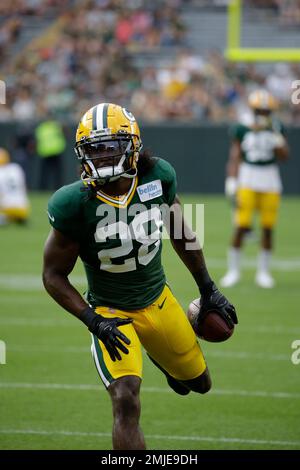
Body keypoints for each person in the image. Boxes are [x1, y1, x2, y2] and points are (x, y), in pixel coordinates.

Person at [42, 103, 237, 450]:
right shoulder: (73, 203)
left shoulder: (156, 177)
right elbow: (53, 275)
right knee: (126, 399)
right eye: (92, 149)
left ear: (131, 144)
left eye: (108, 147)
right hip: (109, 314)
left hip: (157, 299)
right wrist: (92, 321)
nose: (100, 157)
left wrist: (208, 288)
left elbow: (180, 230)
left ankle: (166, 348)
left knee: (199, 384)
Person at [221, 89, 289, 289]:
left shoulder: (277, 127)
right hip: (248, 177)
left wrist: (277, 138)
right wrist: (231, 181)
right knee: (241, 226)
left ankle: (263, 272)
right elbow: (235, 155)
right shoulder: (242, 127)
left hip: (270, 179)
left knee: (268, 227)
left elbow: (285, 156)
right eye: (260, 110)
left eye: (266, 111)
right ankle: (233, 271)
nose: (263, 114)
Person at [0, 147, 30, 226]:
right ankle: (18, 218)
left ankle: (4, 218)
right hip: (23, 208)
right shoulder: (16, 168)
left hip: (6, 209)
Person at [35, 117, 66, 190]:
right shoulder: (53, 126)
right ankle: (44, 188)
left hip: (54, 152)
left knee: (55, 173)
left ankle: (56, 187)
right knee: (46, 173)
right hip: (47, 152)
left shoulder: (54, 126)